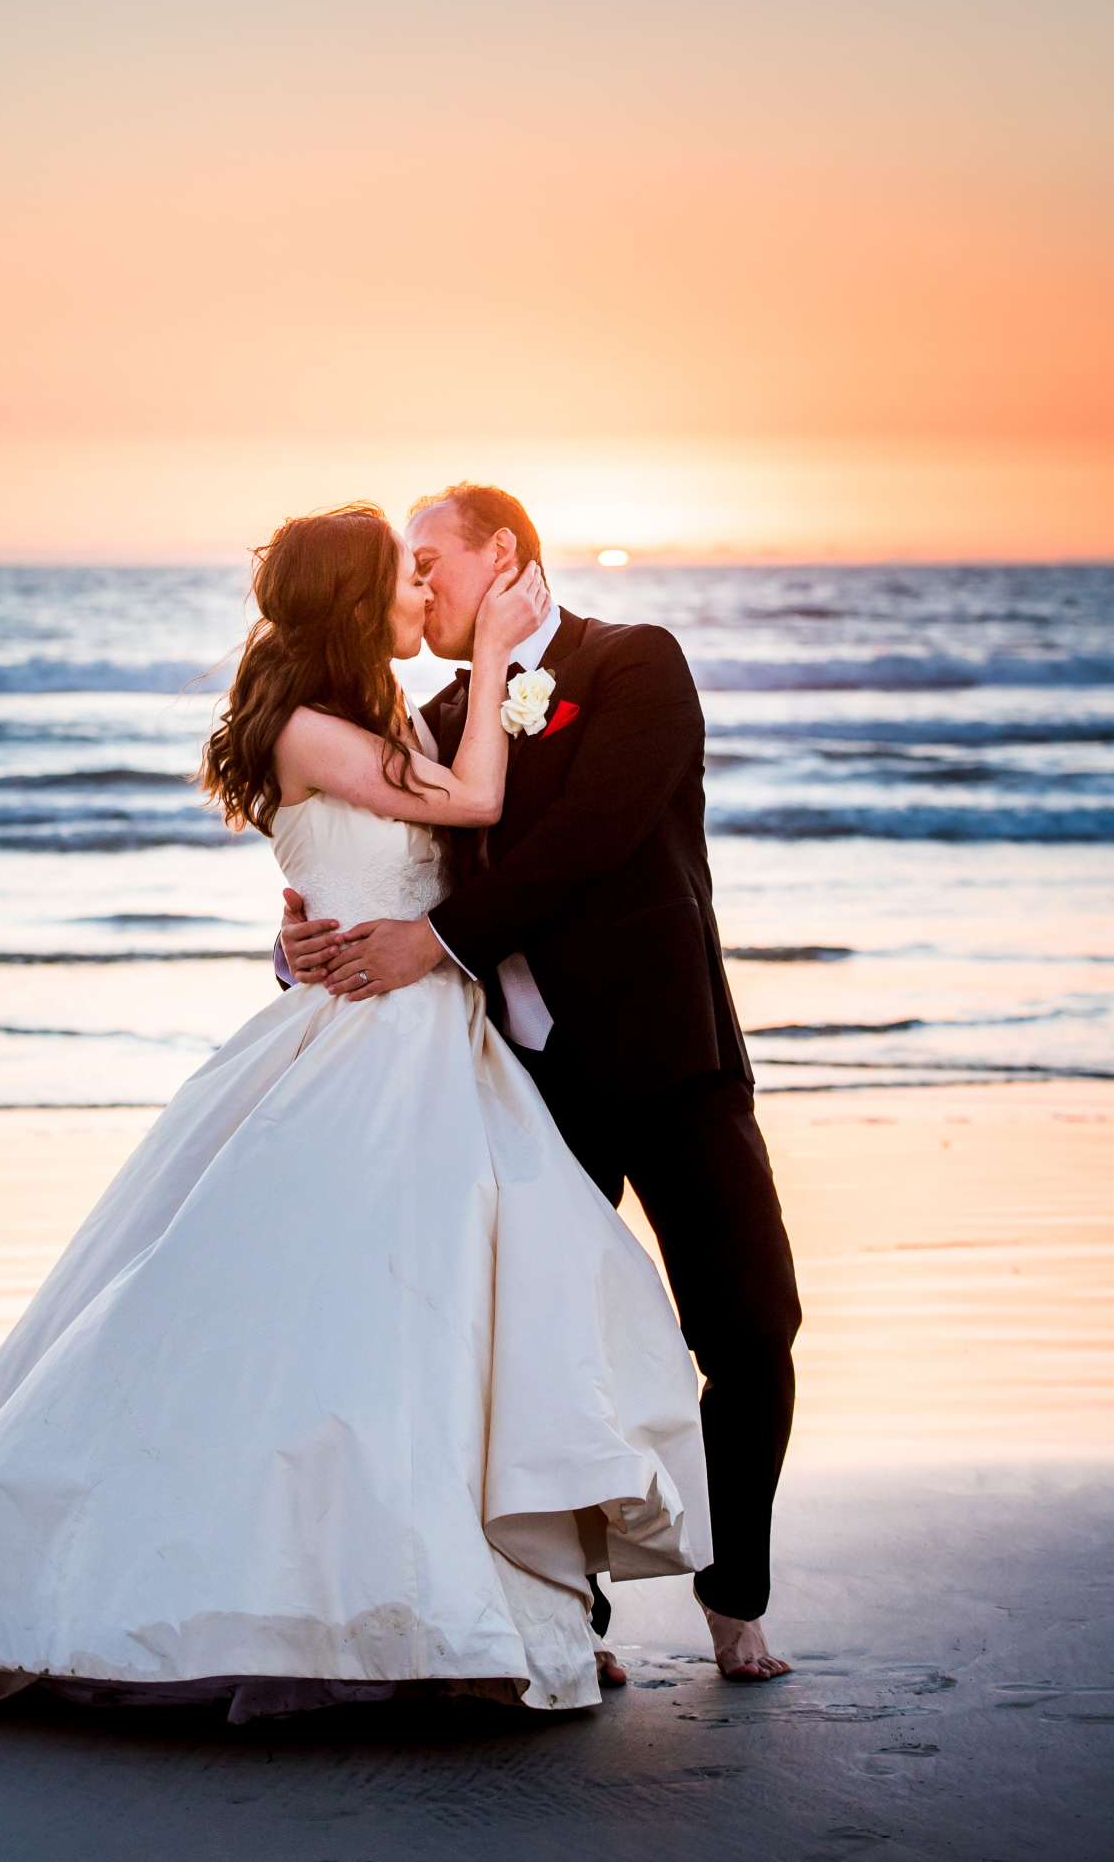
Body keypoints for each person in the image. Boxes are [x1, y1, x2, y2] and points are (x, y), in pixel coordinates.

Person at [0, 503, 710, 1721]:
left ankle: (463, 1595)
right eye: (402, 576)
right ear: (357, 603)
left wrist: (299, 930)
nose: (420, 589)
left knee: (438, 1331)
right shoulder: (323, 730)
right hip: (375, 1046)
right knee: (353, 1324)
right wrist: (484, 663)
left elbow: (437, 853)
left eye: (431, 569)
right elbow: (473, 810)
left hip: (434, 1042)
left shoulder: (365, 726)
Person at [278, 484, 801, 1682]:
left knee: (753, 1329)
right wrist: (305, 934)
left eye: (431, 560)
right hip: (521, 1085)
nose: (417, 586)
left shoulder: (636, 666)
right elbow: (384, 862)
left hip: (672, 1063)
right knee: (530, 1358)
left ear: (501, 553)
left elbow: (595, 839)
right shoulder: (442, 714)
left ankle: (737, 1599)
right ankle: (571, 1625)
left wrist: (440, 943)